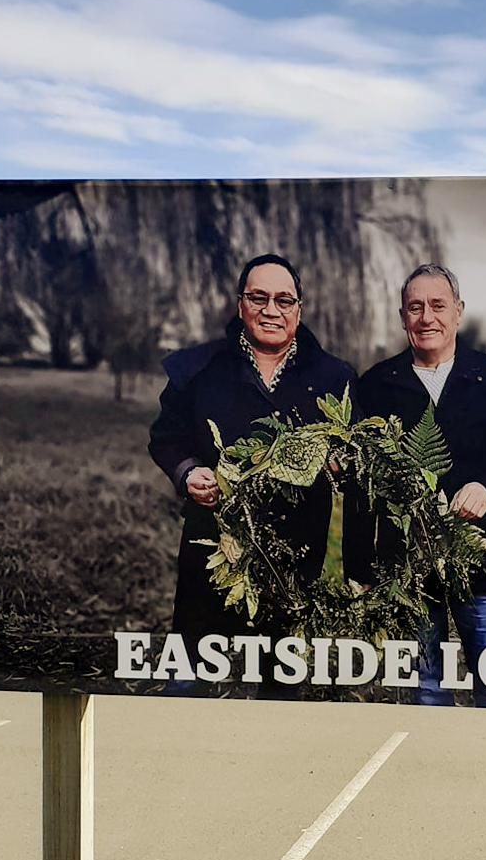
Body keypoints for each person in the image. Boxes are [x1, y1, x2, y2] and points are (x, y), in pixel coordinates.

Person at [148, 254, 355, 682]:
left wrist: (342, 465)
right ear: (240, 304)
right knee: (190, 673)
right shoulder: (200, 369)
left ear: (299, 308)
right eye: (258, 297)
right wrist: (188, 473)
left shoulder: (335, 376)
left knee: (281, 680)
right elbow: (166, 438)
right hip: (212, 546)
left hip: (295, 557)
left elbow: (353, 456)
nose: (270, 310)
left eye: (284, 299)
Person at [347, 262, 486, 706]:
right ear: (402, 317)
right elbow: (363, 484)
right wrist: (362, 570)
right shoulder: (377, 384)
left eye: (438, 305)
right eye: (415, 307)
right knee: (424, 691)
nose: (426, 317)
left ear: (458, 312)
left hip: (483, 562)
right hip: (407, 567)